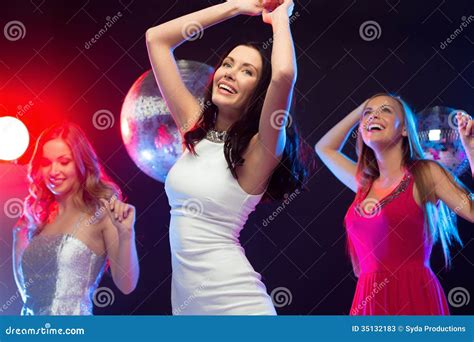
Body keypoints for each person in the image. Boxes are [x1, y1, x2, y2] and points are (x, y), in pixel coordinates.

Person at [146, 0, 313, 314]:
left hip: (238, 308)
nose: (231, 74)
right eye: (228, 64)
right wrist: (233, 6)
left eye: (247, 72)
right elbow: (157, 39)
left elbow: (284, 75)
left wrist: (280, 17)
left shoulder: (260, 148)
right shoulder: (194, 130)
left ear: (258, 94)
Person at [316, 93, 473, 315]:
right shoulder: (364, 185)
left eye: (386, 110)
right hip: (367, 301)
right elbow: (324, 148)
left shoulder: (425, 173)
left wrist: (472, 150)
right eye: (369, 114)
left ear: (405, 130)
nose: (373, 116)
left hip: (414, 296)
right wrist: (363, 107)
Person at [13, 122, 139, 315]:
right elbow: (27, 293)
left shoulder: (102, 212)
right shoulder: (35, 217)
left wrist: (126, 235)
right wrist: (19, 236)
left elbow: (126, 285)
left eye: (64, 162)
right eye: (46, 162)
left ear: (81, 162)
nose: (54, 171)